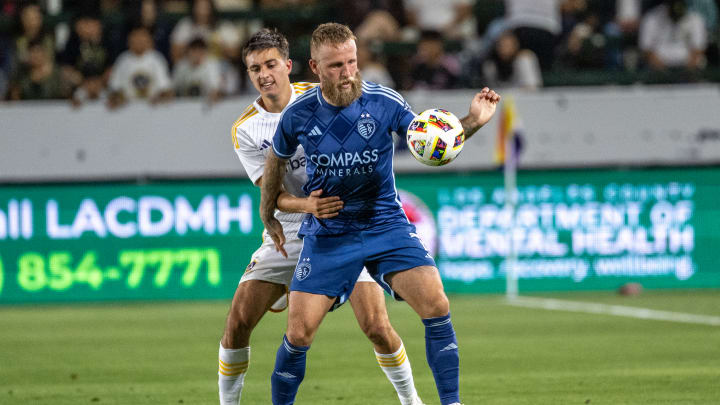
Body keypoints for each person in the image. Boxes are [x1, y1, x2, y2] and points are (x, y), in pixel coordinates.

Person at [260, 23, 500, 405]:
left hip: (385, 224)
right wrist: (267, 210)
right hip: (330, 233)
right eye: (336, 65)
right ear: (315, 67)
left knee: (436, 303)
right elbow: (276, 158)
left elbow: (428, 142)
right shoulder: (299, 115)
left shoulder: (384, 101)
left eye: (352, 62)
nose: (347, 73)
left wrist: (471, 121)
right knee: (299, 333)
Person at [219, 28, 425, 405]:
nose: (264, 74)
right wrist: (306, 206)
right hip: (293, 228)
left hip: (345, 225)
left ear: (289, 66)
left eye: (270, 64)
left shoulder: (321, 96)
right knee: (238, 322)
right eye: (254, 68)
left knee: (377, 326)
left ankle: (412, 401)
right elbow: (271, 192)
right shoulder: (246, 129)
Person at [107, 26, 173, 109]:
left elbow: (166, 89)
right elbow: (114, 88)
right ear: (129, 41)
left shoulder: (157, 59)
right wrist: (117, 98)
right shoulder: (122, 60)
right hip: (127, 110)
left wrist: (160, 97)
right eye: (136, 38)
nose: (139, 41)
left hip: (153, 109)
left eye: (142, 37)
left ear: (150, 40)